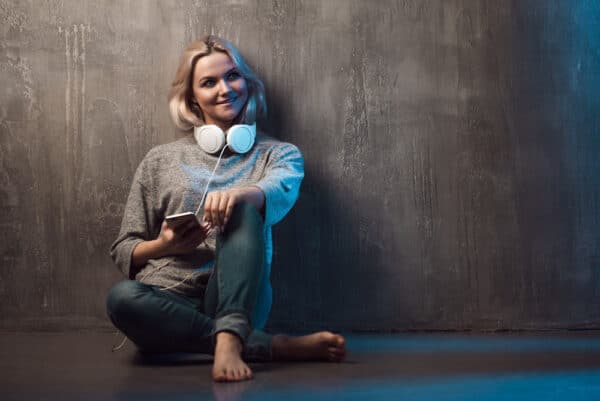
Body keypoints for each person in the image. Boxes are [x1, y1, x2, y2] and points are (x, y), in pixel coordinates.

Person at [106, 35, 346, 383]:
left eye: (232, 76)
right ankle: (267, 346)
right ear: (192, 98)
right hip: (164, 305)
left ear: (246, 83)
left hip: (237, 298)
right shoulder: (159, 160)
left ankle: (233, 335)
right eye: (209, 82)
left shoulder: (279, 155)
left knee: (245, 205)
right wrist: (165, 246)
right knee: (120, 298)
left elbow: (275, 192)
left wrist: (241, 195)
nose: (225, 89)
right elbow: (124, 249)